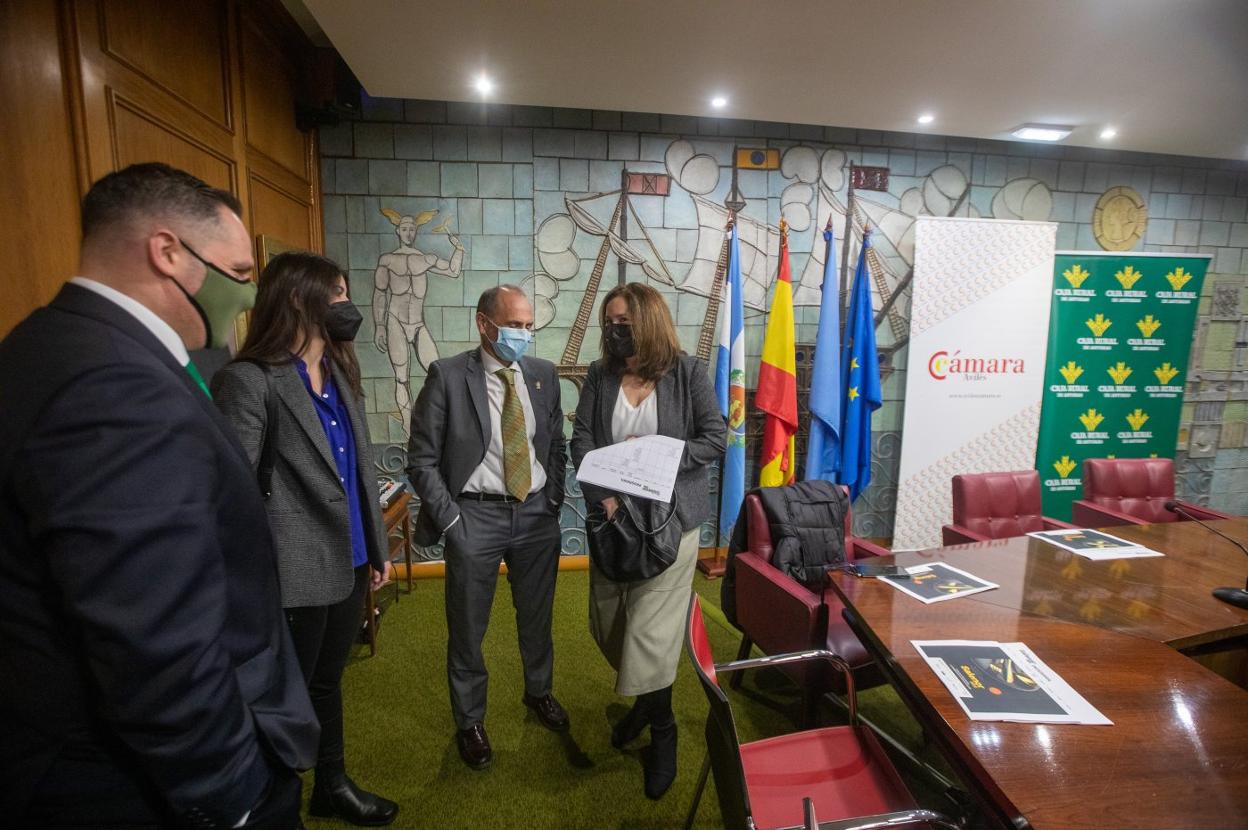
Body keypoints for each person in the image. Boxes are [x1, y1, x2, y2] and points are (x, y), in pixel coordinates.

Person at [0, 162, 318, 829]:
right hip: (125, 781)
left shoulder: (48, 344)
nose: (248, 294)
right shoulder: (114, 384)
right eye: (237, 274)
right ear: (169, 252)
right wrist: (232, 798)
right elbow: (154, 639)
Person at [212, 252, 399, 827]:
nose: (346, 304)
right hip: (291, 571)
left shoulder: (341, 371)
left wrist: (376, 546)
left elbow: (359, 467)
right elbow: (234, 493)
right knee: (283, 693)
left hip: (349, 559)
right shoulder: (249, 381)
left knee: (326, 680)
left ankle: (332, 783)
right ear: (298, 298)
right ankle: (277, 795)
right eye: (336, 293)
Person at [571, 282, 725, 799]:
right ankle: (643, 700)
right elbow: (583, 441)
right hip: (612, 521)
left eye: (624, 322)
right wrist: (604, 493)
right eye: (609, 321)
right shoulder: (599, 374)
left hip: (672, 525)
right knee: (612, 623)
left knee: (649, 632)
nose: (614, 330)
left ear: (648, 322)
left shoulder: (687, 372)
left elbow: (714, 438)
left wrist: (655, 456)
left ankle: (664, 731)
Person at [406, 284, 568, 770]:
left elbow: (556, 443)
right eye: (514, 324)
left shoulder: (543, 375)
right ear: (484, 323)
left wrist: (554, 497)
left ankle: (538, 692)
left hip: (536, 513)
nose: (522, 333)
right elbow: (422, 459)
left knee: (537, 618)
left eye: (528, 325)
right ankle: (470, 720)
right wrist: (452, 519)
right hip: (474, 515)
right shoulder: (448, 376)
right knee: (468, 627)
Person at [373, 207, 464, 432]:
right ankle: (408, 427)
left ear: (416, 232)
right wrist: (379, 327)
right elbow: (379, 294)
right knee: (401, 377)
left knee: (437, 371)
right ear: (398, 231)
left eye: (412, 229)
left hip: (418, 323)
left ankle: (440, 423)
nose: (408, 233)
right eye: (404, 228)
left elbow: (453, 271)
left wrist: (459, 249)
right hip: (395, 322)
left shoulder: (425, 259)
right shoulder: (387, 260)